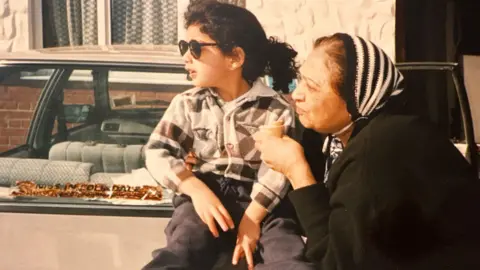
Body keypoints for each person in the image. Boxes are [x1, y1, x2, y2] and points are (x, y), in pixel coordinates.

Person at [253, 32, 480, 269]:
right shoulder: (341, 136)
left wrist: (296, 170)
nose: (296, 94)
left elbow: (337, 264)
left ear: (356, 97)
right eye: (300, 80)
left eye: (312, 86)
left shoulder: (379, 152)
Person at [142, 1, 313, 269]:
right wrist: (194, 189)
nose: (186, 56)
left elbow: (277, 171)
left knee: (287, 253)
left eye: (195, 48)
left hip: (265, 203)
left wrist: (253, 218)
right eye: (184, 47)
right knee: (183, 246)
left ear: (235, 57)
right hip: (207, 194)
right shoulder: (187, 104)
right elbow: (157, 151)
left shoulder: (276, 109)